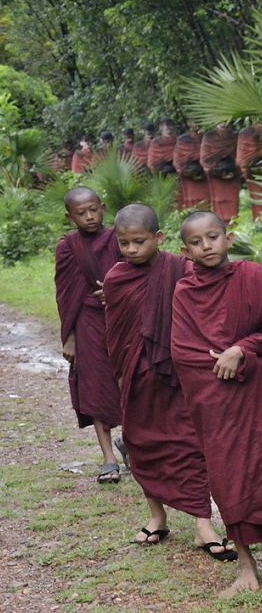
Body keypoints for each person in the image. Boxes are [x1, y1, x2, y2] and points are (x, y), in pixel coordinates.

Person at [170, 211, 262, 593]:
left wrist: (242, 350)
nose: (206, 245)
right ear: (186, 250)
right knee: (231, 476)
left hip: (260, 393)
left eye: (213, 236)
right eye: (196, 242)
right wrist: (224, 364)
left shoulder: (250, 276)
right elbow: (183, 354)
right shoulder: (185, 293)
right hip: (217, 401)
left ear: (227, 238)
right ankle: (245, 564)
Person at [102, 204, 235, 560]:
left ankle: (202, 523)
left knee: (189, 443)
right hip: (134, 374)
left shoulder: (180, 269)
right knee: (141, 443)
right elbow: (116, 334)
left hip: (178, 374)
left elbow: (207, 301)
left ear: (159, 238)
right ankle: (156, 516)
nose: (131, 250)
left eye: (139, 242)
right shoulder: (116, 278)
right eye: (124, 243)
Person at [54, 187, 123, 483]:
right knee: (95, 387)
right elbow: (65, 293)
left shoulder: (120, 237)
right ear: (70, 217)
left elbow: (136, 273)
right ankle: (108, 458)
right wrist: (69, 337)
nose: (89, 216)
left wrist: (116, 292)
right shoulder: (68, 246)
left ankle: (131, 441)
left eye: (94, 209)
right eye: (81, 213)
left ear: (103, 207)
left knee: (130, 383)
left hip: (121, 320)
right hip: (86, 323)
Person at [201, 122, 242, 222]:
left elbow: (240, 155)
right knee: (218, 199)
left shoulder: (234, 136)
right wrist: (213, 168)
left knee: (232, 200)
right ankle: (219, 222)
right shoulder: (209, 136)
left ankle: (233, 222)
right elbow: (205, 157)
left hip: (232, 173)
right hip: (215, 174)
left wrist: (236, 167)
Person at [174, 124, 207, 209]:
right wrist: (181, 170)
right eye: (193, 121)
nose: (195, 124)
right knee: (191, 203)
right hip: (188, 175)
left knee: (206, 203)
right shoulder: (182, 139)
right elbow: (177, 159)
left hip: (204, 176)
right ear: (188, 123)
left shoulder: (207, 137)